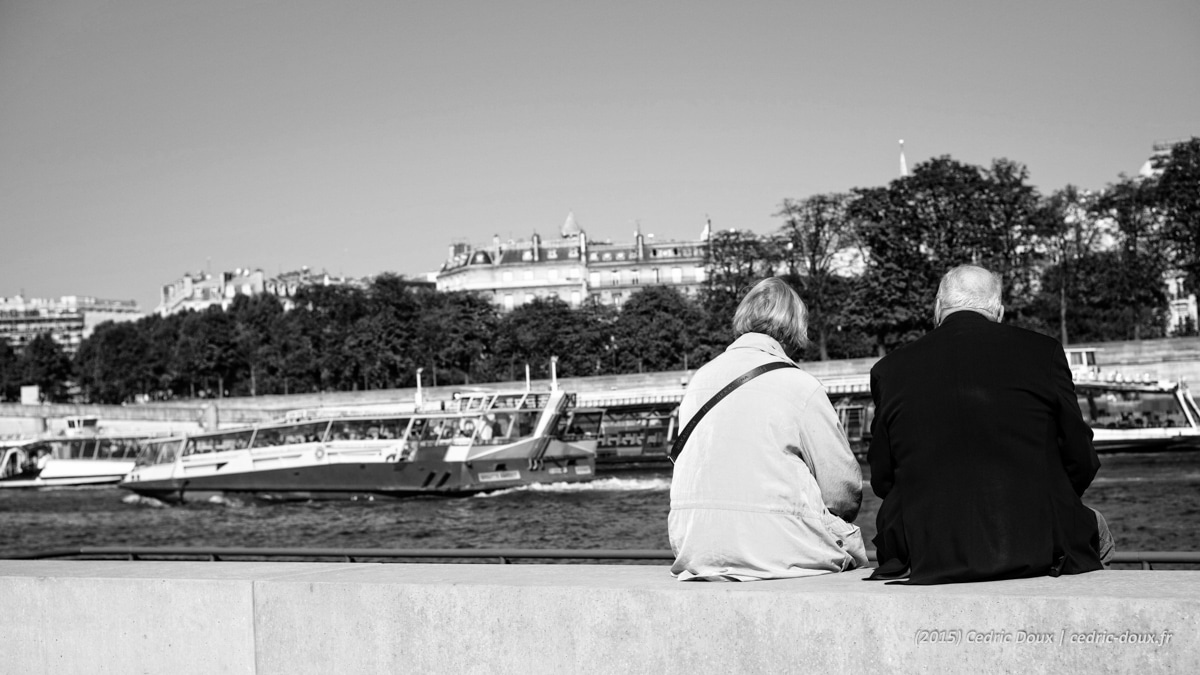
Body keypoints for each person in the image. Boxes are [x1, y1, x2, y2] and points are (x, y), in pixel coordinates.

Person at [866, 264, 1113, 585]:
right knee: (1097, 527)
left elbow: (883, 477)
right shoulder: (1043, 352)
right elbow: (1081, 458)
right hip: (1037, 541)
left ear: (938, 307)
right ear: (998, 310)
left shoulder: (890, 369)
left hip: (930, 547)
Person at [669, 277, 867, 581]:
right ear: (795, 328)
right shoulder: (800, 385)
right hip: (779, 549)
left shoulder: (699, 381)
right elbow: (842, 490)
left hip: (695, 549)